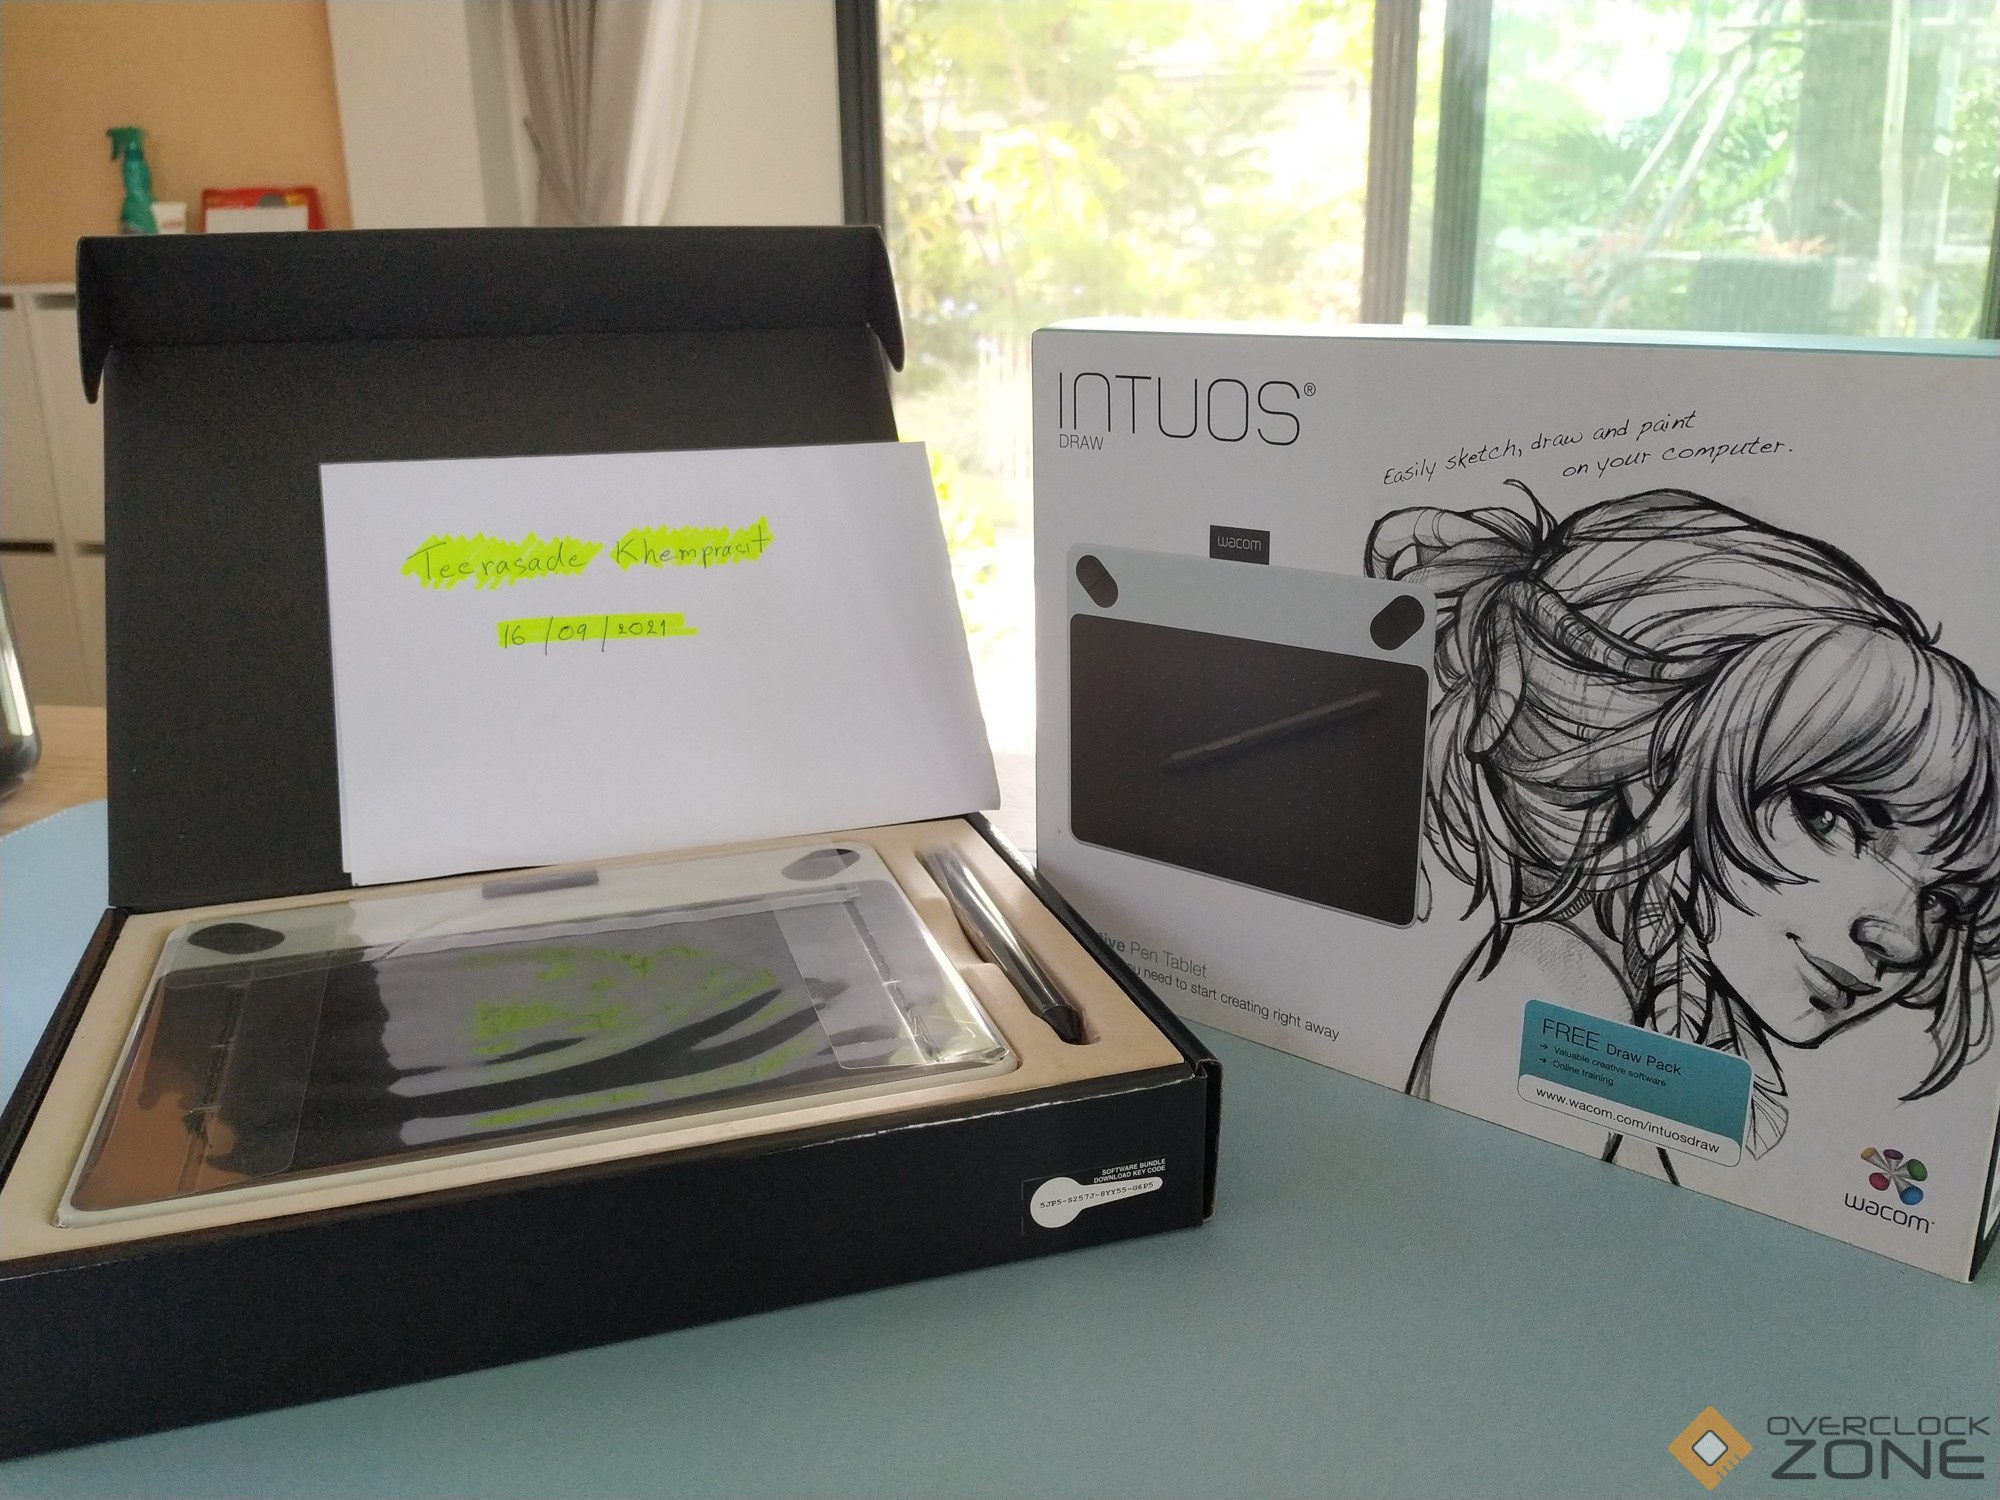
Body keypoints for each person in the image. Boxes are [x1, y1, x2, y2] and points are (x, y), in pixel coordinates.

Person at [1365, 483, 2000, 1166]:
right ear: (1651, 762)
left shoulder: (1623, 1021)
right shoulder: (1545, 1004)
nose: (1906, 941)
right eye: (1830, 817)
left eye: (1943, 900)